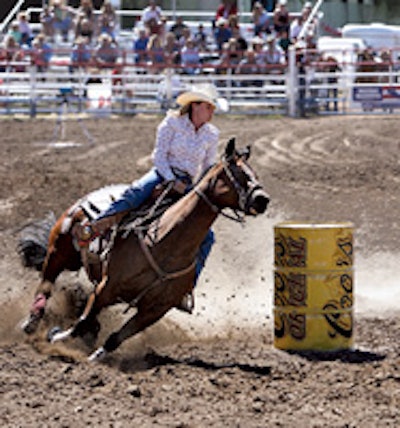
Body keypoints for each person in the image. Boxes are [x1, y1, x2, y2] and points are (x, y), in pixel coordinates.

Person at [75, 84, 228, 313]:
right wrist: (169, 181)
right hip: (162, 173)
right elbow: (159, 156)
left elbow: (207, 168)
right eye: (209, 107)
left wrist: (193, 189)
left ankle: (186, 288)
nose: (212, 112)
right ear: (195, 106)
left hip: (188, 183)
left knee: (207, 237)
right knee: (135, 194)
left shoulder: (211, 134)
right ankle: (95, 227)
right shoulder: (171, 123)